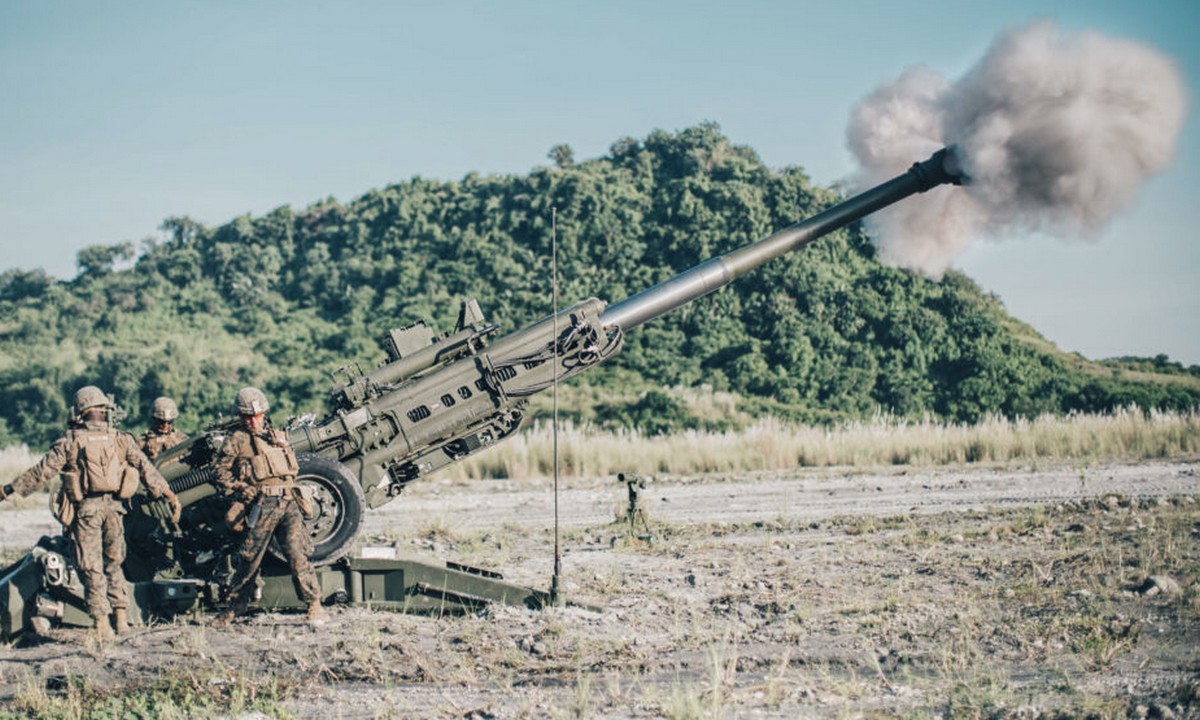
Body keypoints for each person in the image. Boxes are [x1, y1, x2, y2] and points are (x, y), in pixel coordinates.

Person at [0, 386, 181, 640]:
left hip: (87, 512)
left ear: (79, 412)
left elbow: (41, 472)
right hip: (115, 510)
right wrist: (168, 495)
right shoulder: (121, 438)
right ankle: (121, 619)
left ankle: (101, 624)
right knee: (114, 565)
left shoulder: (71, 441)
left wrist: (8, 490)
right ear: (104, 410)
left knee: (90, 567)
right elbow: (146, 469)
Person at [212, 387, 326, 626]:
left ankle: (314, 604)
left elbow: (292, 469)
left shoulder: (278, 436)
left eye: (257, 415)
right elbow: (219, 473)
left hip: (287, 502)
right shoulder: (237, 440)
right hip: (261, 504)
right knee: (249, 558)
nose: (253, 421)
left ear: (264, 412)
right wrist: (240, 487)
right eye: (247, 417)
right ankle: (234, 607)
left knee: (298, 553)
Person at [138, 396, 188, 461]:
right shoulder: (142, 442)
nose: (165, 425)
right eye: (161, 422)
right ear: (154, 419)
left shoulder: (181, 438)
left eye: (169, 422)